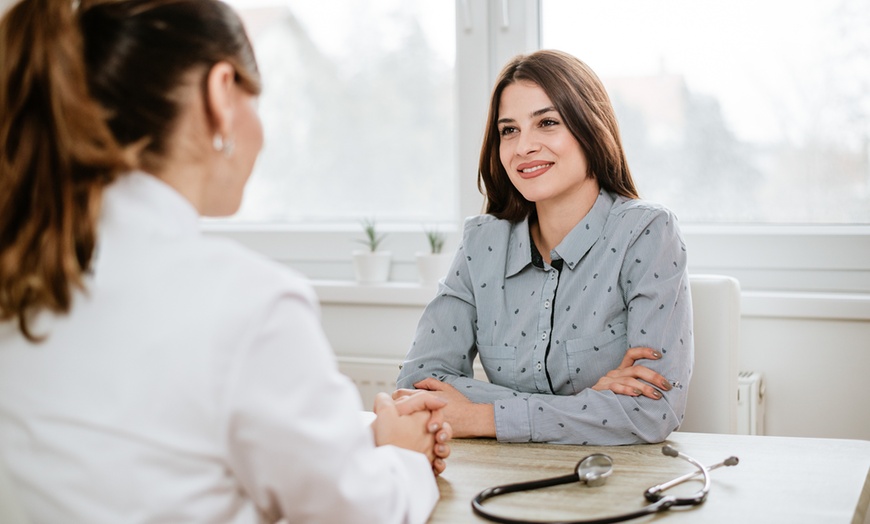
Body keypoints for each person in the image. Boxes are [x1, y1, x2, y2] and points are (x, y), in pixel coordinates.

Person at [0, 1, 451, 522]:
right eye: (254, 100)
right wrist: (402, 454)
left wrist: (363, 439)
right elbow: (363, 513)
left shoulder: (26, 274)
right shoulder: (247, 302)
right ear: (220, 93)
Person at [395, 50, 693, 446]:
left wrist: (483, 417)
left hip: (614, 484)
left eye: (547, 123)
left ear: (590, 128)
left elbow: (655, 410)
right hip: (506, 477)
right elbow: (417, 385)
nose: (523, 147)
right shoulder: (481, 243)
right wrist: (587, 405)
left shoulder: (648, 234)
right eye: (509, 130)